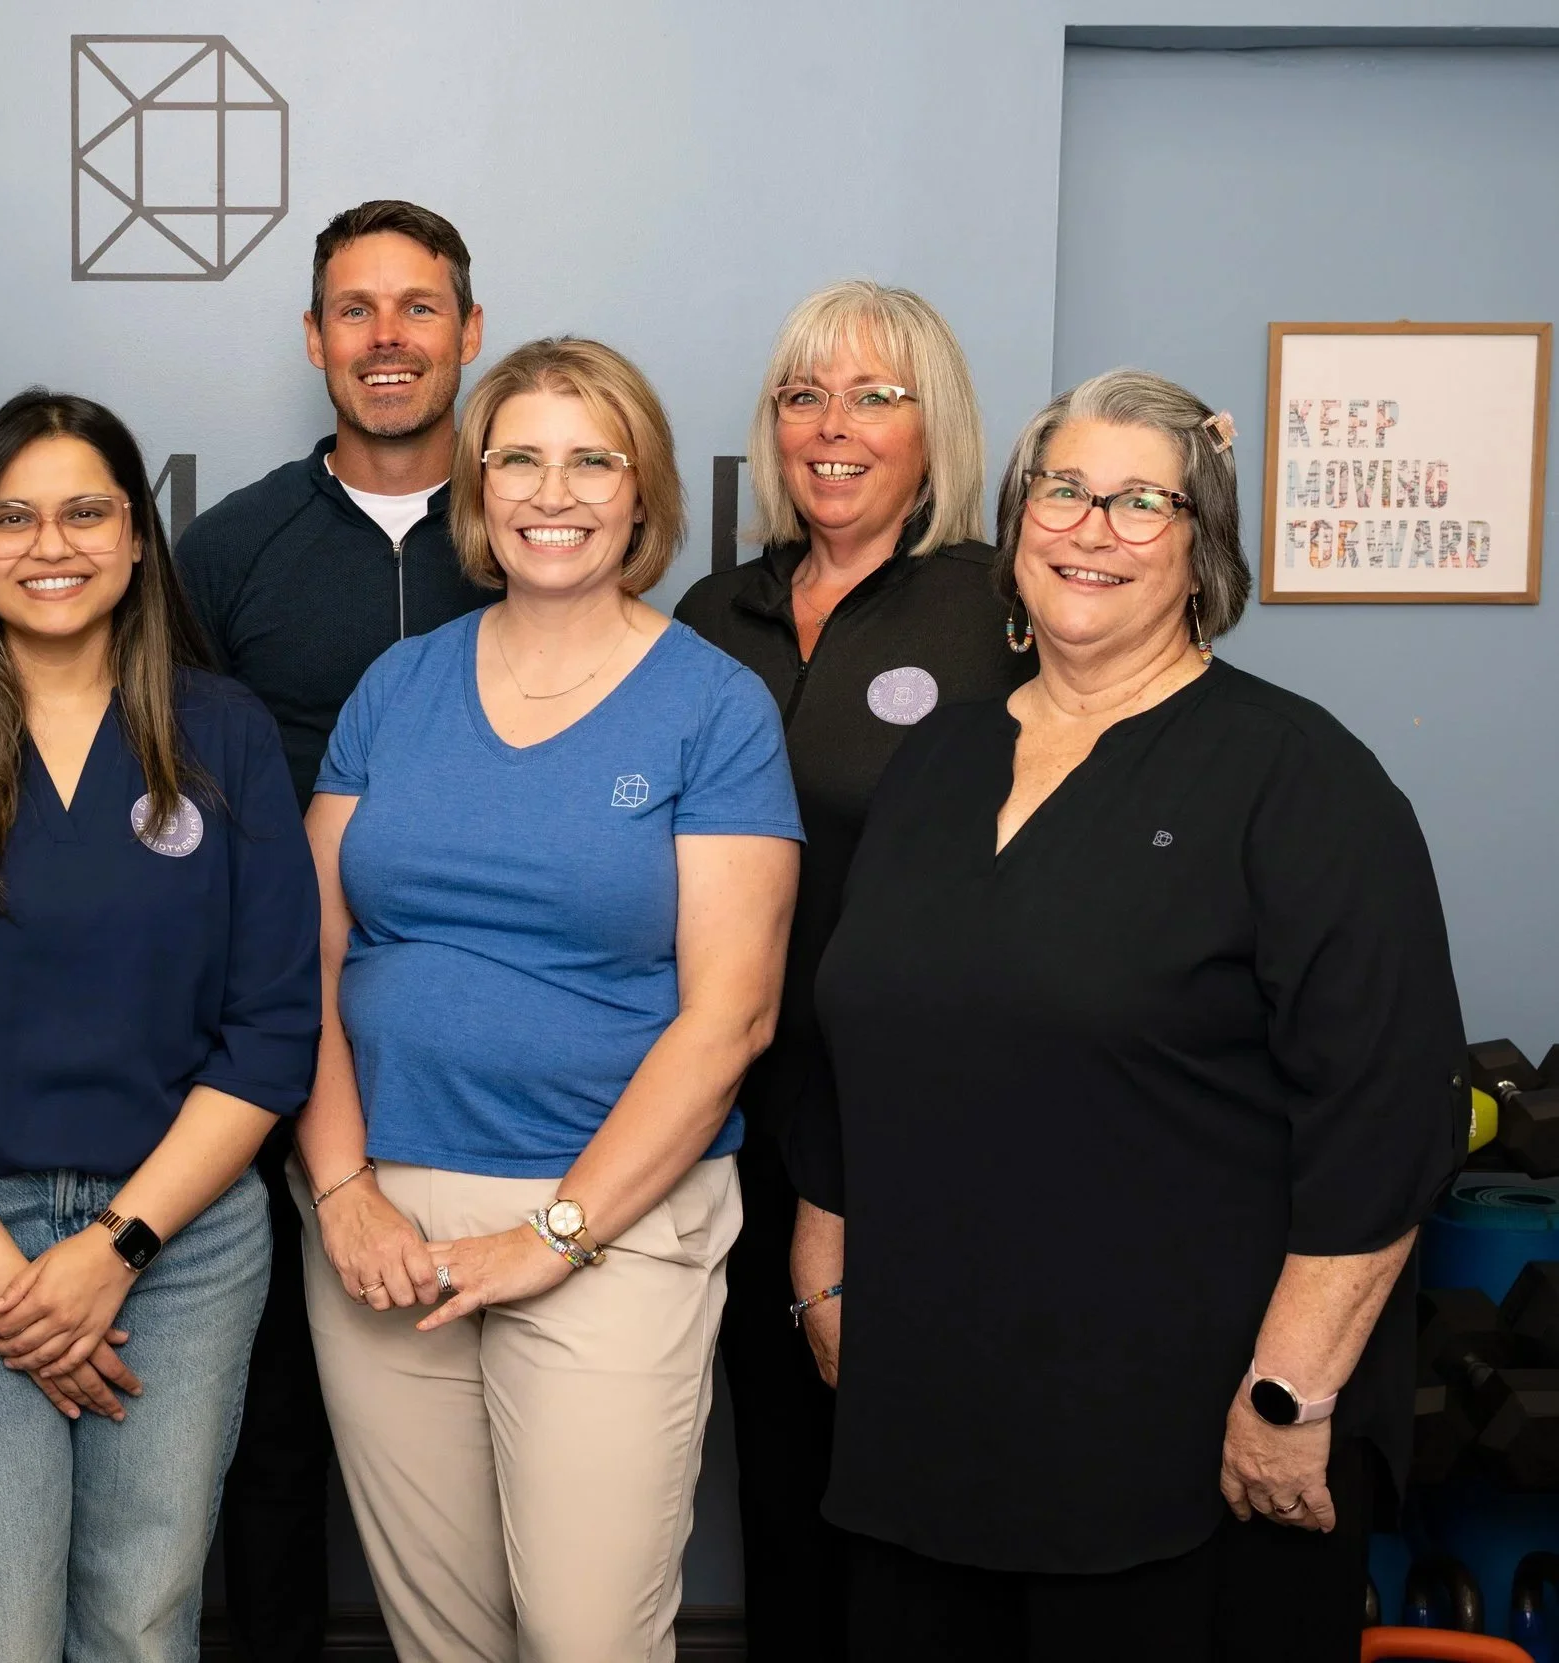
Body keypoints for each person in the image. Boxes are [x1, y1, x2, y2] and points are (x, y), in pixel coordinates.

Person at [788, 369, 1466, 1662]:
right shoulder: (936, 762)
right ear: (1016, 526)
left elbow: (1385, 1111)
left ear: (1202, 549)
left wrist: (1289, 1390)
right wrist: (821, 1265)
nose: (1091, 528)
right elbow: (851, 1029)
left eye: (1142, 501)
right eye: (1063, 491)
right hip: (926, 1422)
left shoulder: (1299, 776)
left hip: (1186, 1450)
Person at [0, 390, 321, 1662]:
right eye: (13, 516)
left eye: (86, 511)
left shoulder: (223, 733)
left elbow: (270, 1028)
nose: (51, 544)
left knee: (140, 1627)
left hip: (180, 1246)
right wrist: (9, 1284)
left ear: (137, 537)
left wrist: (116, 1247)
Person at [297, 337, 803, 1661]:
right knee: (440, 1635)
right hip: (382, 1222)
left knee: (585, 1636)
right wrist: (340, 1187)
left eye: (592, 459)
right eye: (518, 457)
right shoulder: (399, 687)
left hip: (610, 1217)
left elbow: (732, 1018)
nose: (552, 491)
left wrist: (555, 1232)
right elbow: (309, 958)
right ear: (478, 485)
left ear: (643, 493)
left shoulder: (712, 706)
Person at [671, 278, 1031, 1659]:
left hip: (915, 1124)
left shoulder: (1000, 609)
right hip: (721, 1109)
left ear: (935, 428)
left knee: (914, 1490)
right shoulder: (713, 611)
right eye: (805, 394)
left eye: (877, 396)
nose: (834, 426)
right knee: (777, 1471)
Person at [173, 198, 495, 1661]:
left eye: (418, 306)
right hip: (274, 1030)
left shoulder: (533, 528)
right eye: (354, 310)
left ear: (468, 331)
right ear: (313, 339)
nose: (387, 338)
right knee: (273, 1417)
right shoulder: (231, 550)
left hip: (478, 1037)